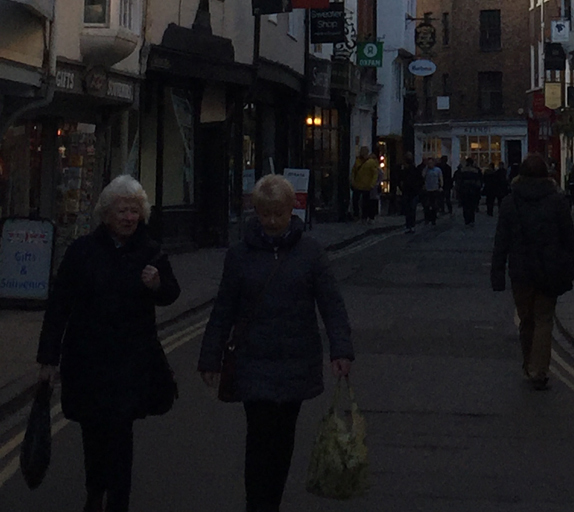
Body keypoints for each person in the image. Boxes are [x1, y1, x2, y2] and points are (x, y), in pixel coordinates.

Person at [199, 174, 354, 512]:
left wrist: (341, 350)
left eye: (278, 214)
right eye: (265, 214)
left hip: (296, 358)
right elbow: (223, 308)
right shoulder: (239, 255)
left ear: (291, 211)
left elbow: (331, 303)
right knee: (258, 437)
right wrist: (210, 357)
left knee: (283, 440)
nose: (271, 222)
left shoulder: (310, 253)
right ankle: (258, 505)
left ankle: (271, 500)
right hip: (253, 359)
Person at [36, 174, 181, 512]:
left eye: (134, 211)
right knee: (93, 431)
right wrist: (48, 358)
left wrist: (158, 285)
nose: (129, 218)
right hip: (87, 358)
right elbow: (59, 306)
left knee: (120, 433)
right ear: (106, 214)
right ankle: (95, 489)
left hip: (131, 360)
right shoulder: (82, 252)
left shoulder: (150, 251)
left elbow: (172, 294)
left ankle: (117, 501)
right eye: (122, 211)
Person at [491, 154, 574, 390]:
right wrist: (570, 269)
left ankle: (530, 365)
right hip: (549, 270)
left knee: (527, 320)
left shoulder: (510, 201)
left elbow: (501, 241)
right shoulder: (557, 201)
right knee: (543, 319)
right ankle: (538, 369)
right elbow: (569, 240)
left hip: (520, 272)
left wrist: (497, 272)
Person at [349, 146, 379, 221]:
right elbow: (353, 171)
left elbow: (375, 174)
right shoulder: (358, 161)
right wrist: (352, 181)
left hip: (366, 185)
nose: (361, 152)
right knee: (355, 200)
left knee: (365, 202)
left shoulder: (371, 162)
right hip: (357, 185)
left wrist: (372, 184)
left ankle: (364, 216)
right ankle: (357, 214)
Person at [453, 156, 483, 225]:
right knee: (472, 205)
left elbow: (459, 181)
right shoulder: (476, 170)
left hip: (464, 190)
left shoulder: (462, 170)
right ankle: (472, 219)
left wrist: (458, 189)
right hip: (473, 190)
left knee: (465, 206)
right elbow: (480, 181)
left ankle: (467, 219)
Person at [398, 152, 424, 233]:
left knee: (410, 209)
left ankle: (410, 225)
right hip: (410, 192)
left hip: (411, 192)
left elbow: (401, 180)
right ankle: (410, 225)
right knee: (410, 210)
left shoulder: (409, 170)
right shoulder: (413, 169)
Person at [421, 157, 443, 225]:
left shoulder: (437, 170)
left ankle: (433, 219)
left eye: (431, 163)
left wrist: (441, 186)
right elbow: (422, 176)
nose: (430, 164)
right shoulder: (426, 170)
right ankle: (427, 219)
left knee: (434, 205)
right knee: (426, 205)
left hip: (435, 189)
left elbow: (440, 178)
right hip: (427, 189)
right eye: (429, 163)